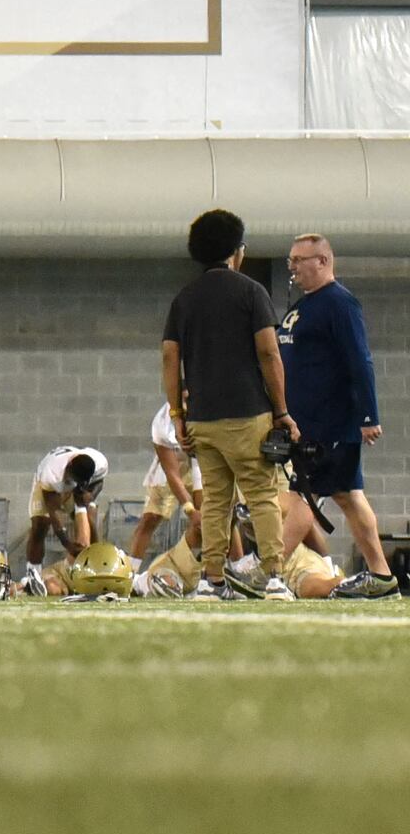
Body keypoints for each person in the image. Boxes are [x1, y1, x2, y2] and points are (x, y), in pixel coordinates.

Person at [161, 209, 297, 599]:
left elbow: (171, 358)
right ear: (237, 251)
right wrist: (282, 411)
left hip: (203, 417)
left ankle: (212, 579)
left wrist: (177, 415)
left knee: (217, 500)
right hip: (248, 413)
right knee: (261, 496)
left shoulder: (184, 298)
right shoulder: (251, 291)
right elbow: (269, 354)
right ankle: (274, 576)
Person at [277, 233, 396, 596]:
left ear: (323, 261)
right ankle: (381, 575)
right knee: (347, 494)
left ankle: (266, 570)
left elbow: (360, 360)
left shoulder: (340, 304)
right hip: (308, 421)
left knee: (304, 496)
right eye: (291, 261)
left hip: (329, 422)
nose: (294, 267)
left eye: (300, 260)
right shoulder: (305, 306)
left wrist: (367, 416)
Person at [19, 446, 109, 577]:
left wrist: (90, 495)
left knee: (91, 518)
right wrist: (67, 544)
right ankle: (33, 574)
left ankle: (96, 569)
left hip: (76, 482)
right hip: (51, 486)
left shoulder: (99, 462)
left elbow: (99, 483)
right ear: (70, 467)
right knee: (40, 525)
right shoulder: (52, 474)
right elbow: (54, 512)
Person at [125, 402, 194, 562]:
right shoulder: (162, 425)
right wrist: (189, 508)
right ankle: (130, 571)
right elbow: (172, 473)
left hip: (203, 462)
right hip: (173, 462)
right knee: (150, 518)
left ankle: (236, 565)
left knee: (216, 515)